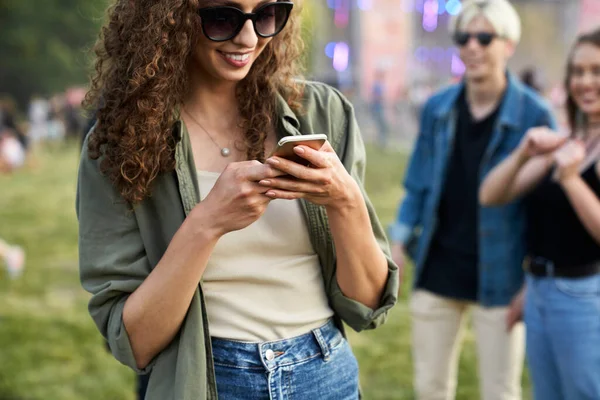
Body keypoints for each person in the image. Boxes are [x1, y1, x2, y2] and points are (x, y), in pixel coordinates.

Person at [77, 1, 399, 400]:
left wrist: (344, 201)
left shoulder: (323, 112)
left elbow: (368, 305)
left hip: (326, 374)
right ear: (170, 17)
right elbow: (134, 341)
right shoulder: (122, 143)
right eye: (222, 17)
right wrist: (207, 223)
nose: (248, 38)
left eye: (266, 15)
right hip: (206, 380)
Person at [388, 1, 557, 399]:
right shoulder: (437, 108)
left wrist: (529, 278)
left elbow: (546, 210)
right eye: (464, 38)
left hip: (501, 276)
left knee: (501, 391)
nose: (473, 48)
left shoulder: (535, 114)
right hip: (437, 268)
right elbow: (417, 183)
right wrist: (398, 240)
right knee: (430, 389)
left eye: (485, 37)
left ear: (508, 44)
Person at [479, 27, 600, 400]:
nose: (585, 81)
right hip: (539, 291)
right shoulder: (566, 139)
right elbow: (490, 194)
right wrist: (525, 151)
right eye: (577, 71)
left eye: (596, 71)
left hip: (583, 298)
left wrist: (569, 179)